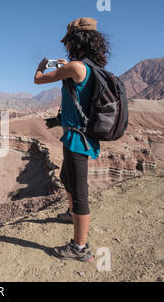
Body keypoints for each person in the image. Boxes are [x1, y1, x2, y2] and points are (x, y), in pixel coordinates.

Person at [33, 17, 110, 262]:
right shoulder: (86, 68)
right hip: (75, 136)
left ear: (75, 41)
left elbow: (38, 79)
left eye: (69, 42)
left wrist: (42, 64)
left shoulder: (76, 67)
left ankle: (80, 248)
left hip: (78, 139)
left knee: (79, 192)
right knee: (66, 178)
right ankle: (70, 213)